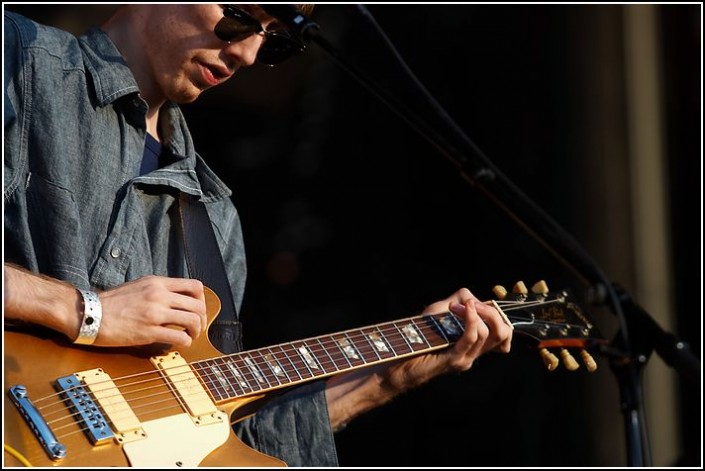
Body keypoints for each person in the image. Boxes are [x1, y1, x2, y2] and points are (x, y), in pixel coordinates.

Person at [3, 4, 513, 467]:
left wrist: (388, 377)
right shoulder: (21, 60)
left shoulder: (214, 220)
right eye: (240, 16)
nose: (248, 52)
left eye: (275, 40)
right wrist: (88, 311)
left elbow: (224, 440)